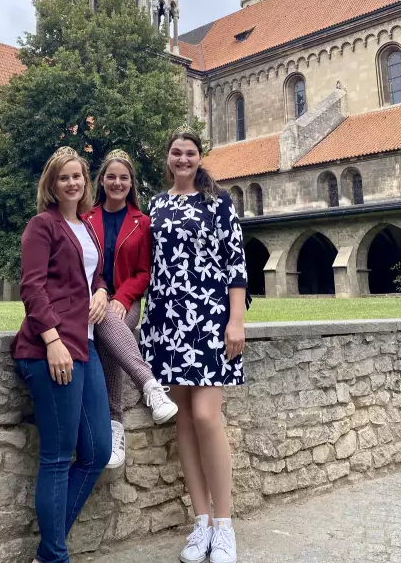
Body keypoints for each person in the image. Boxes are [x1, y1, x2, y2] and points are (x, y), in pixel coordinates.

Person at [139, 127, 248, 563]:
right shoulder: (157, 204)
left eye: (190, 153)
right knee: (183, 421)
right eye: (176, 152)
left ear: (199, 158)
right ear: (167, 158)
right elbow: (151, 263)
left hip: (209, 318)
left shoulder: (219, 202)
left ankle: (224, 524)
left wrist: (235, 321)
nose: (183, 159)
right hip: (166, 320)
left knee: (206, 416)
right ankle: (200, 521)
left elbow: (236, 264)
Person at [12, 146, 112, 563]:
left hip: (85, 345)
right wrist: (52, 340)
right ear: (51, 185)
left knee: (98, 451)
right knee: (57, 457)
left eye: (78, 176)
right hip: (50, 348)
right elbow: (32, 287)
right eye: (64, 177)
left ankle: (47, 552)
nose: (73, 183)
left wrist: (103, 290)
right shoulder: (42, 225)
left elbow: (95, 274)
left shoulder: (87, 227)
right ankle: (54, 556)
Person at [85, 149, 178, 469]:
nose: (117, 182)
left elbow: (143, 272)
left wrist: (121, 299)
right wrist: (98, 293)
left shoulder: (143, 223)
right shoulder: (86, 219)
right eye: (111, 176)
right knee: (110, 326)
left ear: (131, 183)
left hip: (126, 301)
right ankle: (150, 386)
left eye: (123, 177)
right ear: (101, 181)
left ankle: (115, 424)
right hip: (89, 300)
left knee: (113, 323)